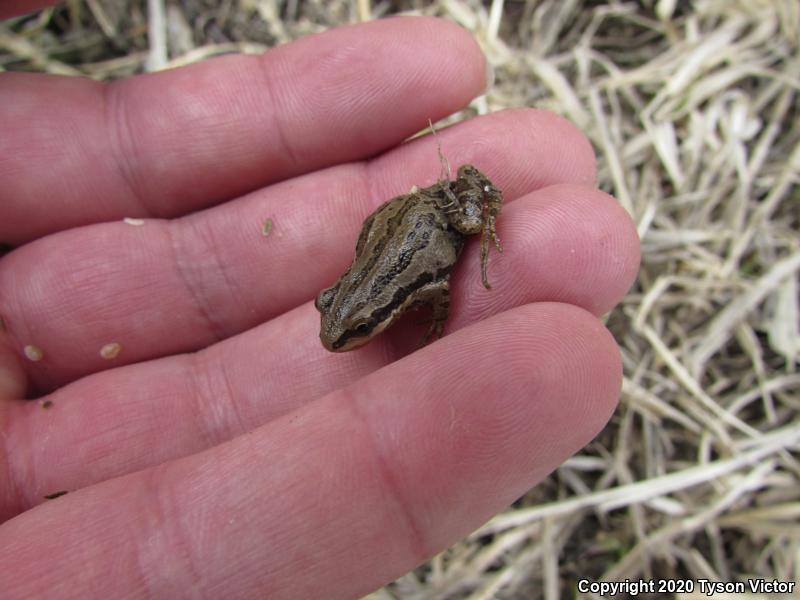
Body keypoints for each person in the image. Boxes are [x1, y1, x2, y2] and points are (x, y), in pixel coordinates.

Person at [0, 4, 640, 598]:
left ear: (377, 316)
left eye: (355, 325)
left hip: (434, 219)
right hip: (404, 228)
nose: (337, 339)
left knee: (483, 228)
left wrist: (437, 327)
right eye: (335, 314)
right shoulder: (364, 299)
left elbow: (439, 286)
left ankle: (485, 210)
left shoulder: (401, 295)